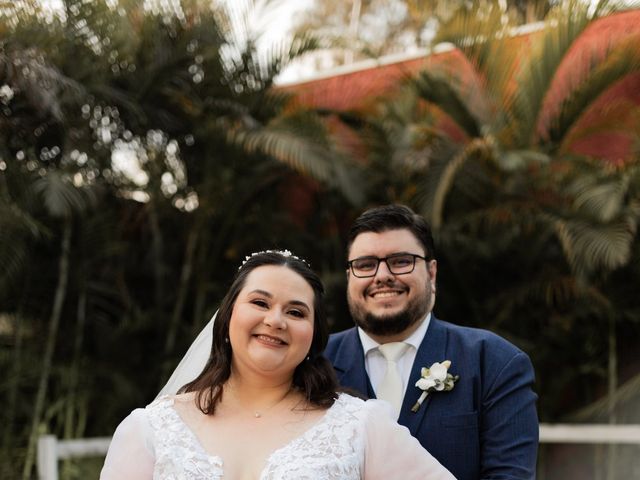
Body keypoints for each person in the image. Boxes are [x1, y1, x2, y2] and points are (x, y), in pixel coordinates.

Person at [100, 250, 455, 479]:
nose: (276, 320)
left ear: (313, 335)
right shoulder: (150, 429)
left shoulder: (359, 427)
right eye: (260, 302)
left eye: (296, 312)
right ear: (227, 317)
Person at [324, 205, 539, 480]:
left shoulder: (495, 362)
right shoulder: (314, 362)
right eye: (365, 265)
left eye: (401, 261)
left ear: (432, 273)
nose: (382, 276)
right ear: (349, 277)